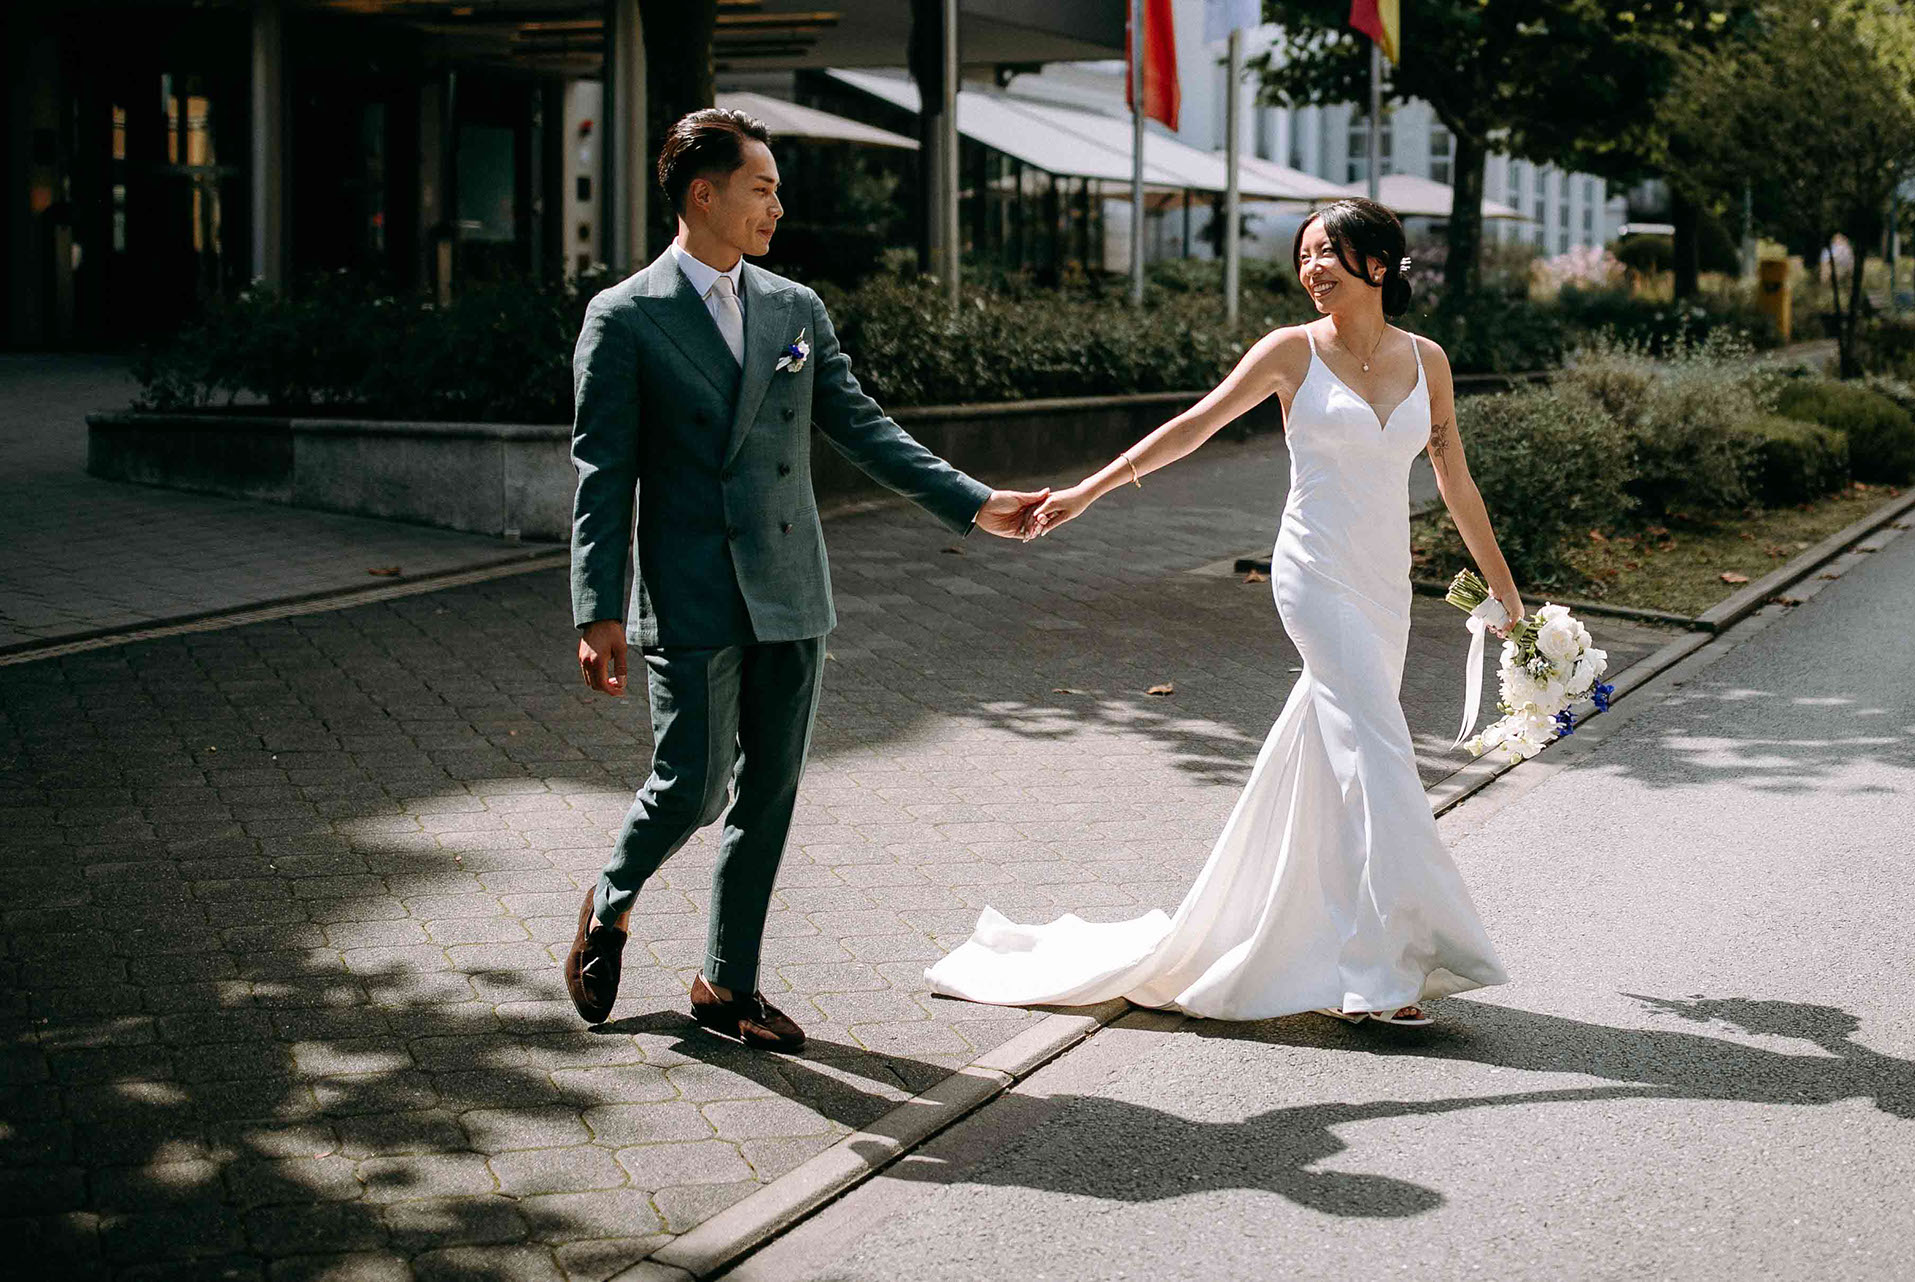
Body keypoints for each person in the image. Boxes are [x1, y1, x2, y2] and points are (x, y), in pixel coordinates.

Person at [928, 197, 1518, 1027]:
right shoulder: (1290, 353)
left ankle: (1281, 935)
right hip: (1313, 577)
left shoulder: (1430, 361)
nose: (1312, 269)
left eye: (1329, 254)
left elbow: (1455, 478)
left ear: (1378, 264)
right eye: (1304, 255)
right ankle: (1386, 969)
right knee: (1378, 757)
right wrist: (1086, 492)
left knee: (1334, 757)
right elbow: (1194, 426)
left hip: (1387, 588)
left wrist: (1508, 591)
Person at [562, 108, 1050, 1050]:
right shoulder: (624, 317)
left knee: (770, 793)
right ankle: (611, 903)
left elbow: (862, 426)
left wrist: (973, 501)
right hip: (692, 589)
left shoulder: (794, 308)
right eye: (762, 189)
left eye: (777, 191)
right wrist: (597, 607)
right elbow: (601, 473)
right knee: (693, 785)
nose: (778, 207)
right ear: (702, 195)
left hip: (791, 584)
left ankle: (726, 985)